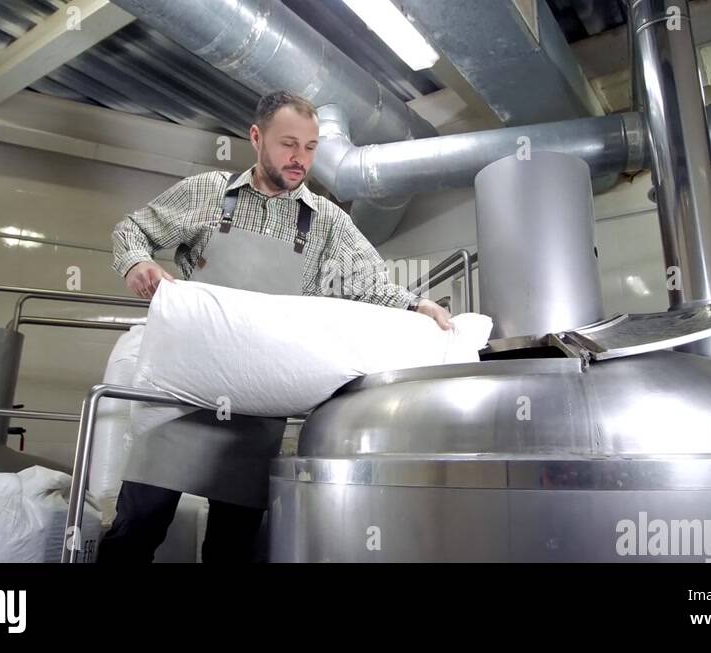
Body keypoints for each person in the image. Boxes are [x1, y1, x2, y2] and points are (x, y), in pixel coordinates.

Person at [98, 90, 451, 563]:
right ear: (256, 137)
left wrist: (417, 306)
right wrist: (137, 263)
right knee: (136, 531)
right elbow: (131, 229)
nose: (299, 159)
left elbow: (367, 284)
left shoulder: (326, 221)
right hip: (175, 402)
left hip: (254, 414)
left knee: (231, 548)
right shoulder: (208, 193)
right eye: (288, 144)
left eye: (310, 147)